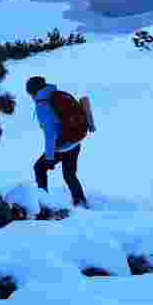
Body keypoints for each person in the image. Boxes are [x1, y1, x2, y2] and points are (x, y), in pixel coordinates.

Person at [27, 76, 89, 208]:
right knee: (69, 175)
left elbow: (50, 134)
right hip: (75, 142)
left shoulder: (43, 105)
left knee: (39, 168)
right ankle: (81, 202)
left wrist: (50, 157)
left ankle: (43, 203)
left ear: (33, 92)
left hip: (62, 145)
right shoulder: (58, 95)